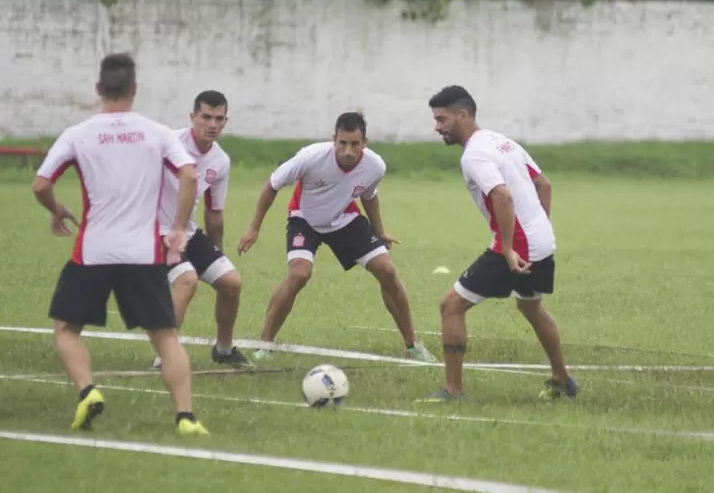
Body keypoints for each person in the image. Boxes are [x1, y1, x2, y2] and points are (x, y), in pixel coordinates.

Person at [32, 52, 209, 436]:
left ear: (99, 89)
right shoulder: (157, 132)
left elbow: (41, 184)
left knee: (66, 329)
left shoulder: (78, 134)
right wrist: (178, 227)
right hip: (142, 254)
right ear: (134, 90)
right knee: (164, 336)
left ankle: (88, 390)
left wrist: (56, 209)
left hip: (93, 251)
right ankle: (186, 418)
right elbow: (189, 176)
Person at [237, 111, 436, 363]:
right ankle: (265, 344)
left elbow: (368, 196)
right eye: (342, 143)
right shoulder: (310, 157)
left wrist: (379, 231)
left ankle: (412, 345)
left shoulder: (375, 166)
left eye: (355, 144)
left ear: (365, 142)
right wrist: (254, 228)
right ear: (334, 139)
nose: (348, 151)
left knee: (387, 270)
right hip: (304, 218)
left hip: (344, 218)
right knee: (299, 274)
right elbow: (272, 185)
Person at [422, 85, 578, 402]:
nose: (437, 127)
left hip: (518, 246)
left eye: (442, 119)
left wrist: (507, 248)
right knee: (530, 306)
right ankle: (563, 380)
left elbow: (502, 195)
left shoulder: (475, 154)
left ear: (463, 115)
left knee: (450, 305)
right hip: (542, 241)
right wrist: (539, 226)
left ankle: (453, 391)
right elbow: (543, 184)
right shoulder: (502, 141)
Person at [151, 90, 252, 371]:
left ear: (225, 121)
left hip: (190, 234)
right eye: (206, 117)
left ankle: (223, 349)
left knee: (231, 282)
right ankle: (165, 355)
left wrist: (217, 253)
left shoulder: (220, 161)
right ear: (192, 117)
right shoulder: (168, 144)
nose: (212, 125)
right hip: (154, 232)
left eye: (218, 119)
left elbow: (214, 212)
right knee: (186, 279)